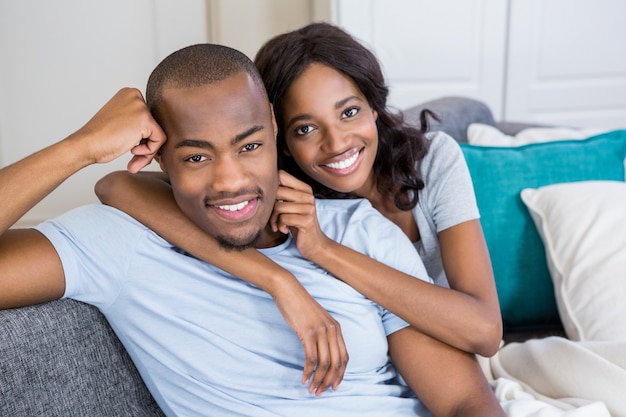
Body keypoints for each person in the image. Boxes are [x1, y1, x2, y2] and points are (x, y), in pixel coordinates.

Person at [0, 43, 503, 416]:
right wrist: (80, 147)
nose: (231, 181)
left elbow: (462, 399)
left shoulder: (357, 230)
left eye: (249, 145)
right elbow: (115, 186)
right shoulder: (119, 244)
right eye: (197, 156)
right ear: (155, 154)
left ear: (274, 128)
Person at [97, 22, 502, 357]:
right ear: (280, 137)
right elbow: (119, 185)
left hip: (453, 353)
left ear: (374, 106)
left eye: (349, 112)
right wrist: (278, 279)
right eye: (306, 128)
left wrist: (324, 249)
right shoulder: (285, 198)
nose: (337, 142)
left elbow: (485, 332)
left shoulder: (433, 160)